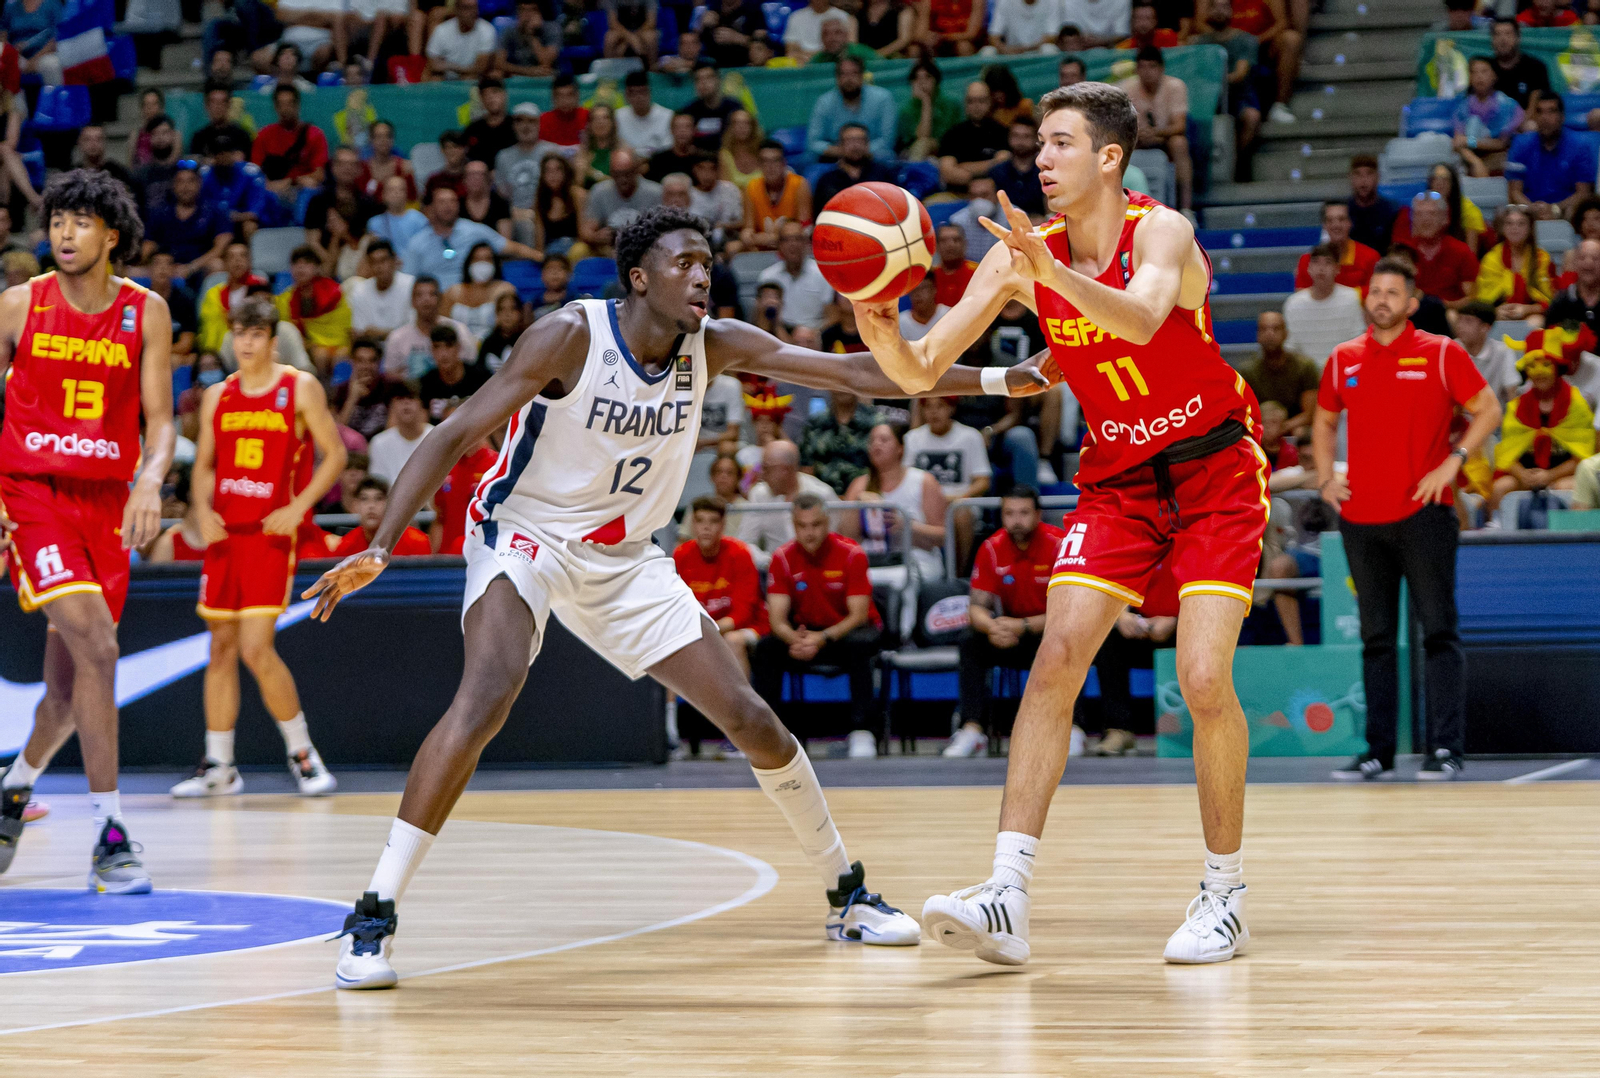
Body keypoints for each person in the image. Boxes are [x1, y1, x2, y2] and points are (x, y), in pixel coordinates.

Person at [303, 206, 1048, 989]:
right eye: (685, 262)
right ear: (639, 277)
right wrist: (382, 544)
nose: (703, 274)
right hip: (528, 534)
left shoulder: (715, 342)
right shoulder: (569, 337)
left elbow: (859, 374)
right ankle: (374, 913)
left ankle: (846, 893)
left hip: (626, 556)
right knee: (487, 694)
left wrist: (1006, 378)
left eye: (708, 261)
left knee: (751, 719)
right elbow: (450, 433)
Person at [853, 82, 1278, 967]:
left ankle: (1224, 893)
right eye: (1037, 145)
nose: (1040, 160)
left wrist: (1050, 277)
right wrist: (878, 318)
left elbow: (1143, 316)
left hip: (1214, 472)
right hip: (1118, 479)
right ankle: (1005, 892)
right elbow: (924, 367)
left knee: (1202, 678)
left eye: (1059, 144)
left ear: (1109, 157)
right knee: (1055, 660)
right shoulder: (1020, 255)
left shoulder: (1160, 231)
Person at [0, 170, 176, 892]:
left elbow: (162, 420)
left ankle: (12, 792)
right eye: (56, 222)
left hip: (107, 506)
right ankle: (110, 833)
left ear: (111, 237)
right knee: (100, 646)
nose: (64, 234)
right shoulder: (18, 304)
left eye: (79, 223)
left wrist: (147, 479)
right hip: (34, 496)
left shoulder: (146, 312)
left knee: (69, 692)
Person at [1315, 257, 1499, 781]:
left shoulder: (1441, 353)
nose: (1382, 300)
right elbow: (1324, 421)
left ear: (1412, 303)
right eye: (1375, 291)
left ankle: (1446, 750)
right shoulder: (1343, 358)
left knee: (1438, 633)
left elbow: (1488, 409)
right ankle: (1378, 752)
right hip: (1361, 519)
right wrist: (1328, 479)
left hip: (1425, 515)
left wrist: (1454, 461)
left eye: (1393, 293)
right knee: (1376, 639)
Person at [175, 294, 343, 800]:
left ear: (272, 339)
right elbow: (203, 465)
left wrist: (299, 507)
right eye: (239, 334)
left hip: (269, 535)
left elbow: (334, 456)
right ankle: (219, 767)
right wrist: (201, 510)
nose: (245, 343)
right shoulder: (217, 396)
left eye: (255, 335)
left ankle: (303, 755)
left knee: (255, 647)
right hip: (225, 535)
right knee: (220, 649)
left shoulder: (299, 388)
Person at [755, 492, 887, 757]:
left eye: (815, 525)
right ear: (794, 526)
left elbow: (858, 615)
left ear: (827, 523)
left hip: (846, 632)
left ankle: (862, 732)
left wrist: (822, 637)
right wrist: (795, 639)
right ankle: (770, 733)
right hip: (805, 635)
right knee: (767, 647)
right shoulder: (782, 558)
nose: (809, 533)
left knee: (860, 645)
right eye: (802, 526)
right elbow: (776, 619)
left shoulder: (852, 554)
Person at [949, 486, 1064, 756]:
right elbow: (976, 607)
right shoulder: (992, 547)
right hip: (1009, 633)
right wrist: (993, 627)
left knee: (1067, 639)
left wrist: (1023, 626)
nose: (1016, 520)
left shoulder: (1060, 544)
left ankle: (1071, 729)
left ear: (1038, 515)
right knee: (970, 640)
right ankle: (973, 730)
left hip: (1047, 630)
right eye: (1009, 513)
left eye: (1024, 513)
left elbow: (1068, 613)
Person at [1489, 326, 1596, 512]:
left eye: (1545, 364)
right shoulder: (1516, 406)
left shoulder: (1577, 404)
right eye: (1532, 365)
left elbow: (1583, 457)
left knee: (1566, 487)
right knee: (1500, 488)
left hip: (1562, 475)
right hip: (1524, 476)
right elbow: (1506, 453)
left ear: (1557, 367)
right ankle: (1496, 534)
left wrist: (1550, 476)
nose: (1538, 373)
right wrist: (1523, 475)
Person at [841, 421, 946, 581]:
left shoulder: (924, 481)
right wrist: (857, 506)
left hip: (915, 557)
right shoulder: (859, 485)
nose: (876, 444)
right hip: (871, 559)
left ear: (900, 448)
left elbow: (942, 536)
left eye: (884, 440)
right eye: (872, 441)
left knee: (901, 580)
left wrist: (906, 525)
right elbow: (844, 537)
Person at [674, 495, 766, 676]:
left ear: (723, 525)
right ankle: (670, 705)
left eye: (713, 521)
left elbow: (743, 613)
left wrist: (710, 630)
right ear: (693, 525)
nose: (706, 527)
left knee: (732, 640)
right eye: (700, 521)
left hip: (748, 627)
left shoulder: (740, 554)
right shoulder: (681, 555)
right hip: (703, 628)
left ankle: (743, 704)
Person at [905, 393, 990, 562]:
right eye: (928, 407)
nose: (934, 412)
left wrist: (958, 497)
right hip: (923, 502)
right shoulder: (911, 438)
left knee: (961, 512)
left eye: (940, 406)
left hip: (959, 501)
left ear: (952, 408)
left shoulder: (971, 436)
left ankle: (957, 576)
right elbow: (906, 478)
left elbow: (983, 481)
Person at [404, 187, 537, 288]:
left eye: (452, 201)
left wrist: (543, 258)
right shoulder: (418, 242)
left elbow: (512, 248)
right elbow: (408, 280)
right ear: (431, 208)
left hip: (470, 298)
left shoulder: (475, 231)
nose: (448, 206)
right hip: (434, 300)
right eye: (442, 202)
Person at [739, 438, 836, 566]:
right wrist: (771, 561)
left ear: (785, 470)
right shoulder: (759, 494)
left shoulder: (822, 494)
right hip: (772, 569)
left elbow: (835, 542)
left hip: (818, 567)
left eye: (766, 468)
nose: (762, 474)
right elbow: (745, 543)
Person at [1119, 47, 1192, 210]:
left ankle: (1186, 208)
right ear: (1136, 69)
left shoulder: (1176, 86)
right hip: (1138, 139)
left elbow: (1180, 126)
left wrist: (1156, 133)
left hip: (1166, 137)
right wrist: (1139, 135)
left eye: (1152, 67)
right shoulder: (1126, 88)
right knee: (1117, 145)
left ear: (1161, 68)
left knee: (1179, 143)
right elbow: (1123, 126)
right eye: (1142, 67)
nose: (1147, 72)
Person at [1195, 0, 1261, 178]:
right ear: (1207, 12)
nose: (1219, 11)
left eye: (1224, 6)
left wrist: (1212, 80)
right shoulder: (1198, 43)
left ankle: (1237, 164)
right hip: (1207, 99)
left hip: (1238, 96)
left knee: (1252, 117)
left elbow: (1240, 74)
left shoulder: (1245, 40)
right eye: (1214, 7)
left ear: (1232, 11)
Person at [143, 163, 234, 283]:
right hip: (166, 266)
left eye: (191, 181)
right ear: (173, 185)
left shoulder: (214, 211)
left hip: (199, 266)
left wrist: (191, 267)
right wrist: (157, 265)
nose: (185, 187)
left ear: (199, 183)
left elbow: (221, 247)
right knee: (129, 271)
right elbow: (148, 245)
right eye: (180, 182)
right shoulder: (160, 212)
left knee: (217, 266)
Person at [1508, 96, 1595, 221]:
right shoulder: (1520, 144)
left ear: (1562, 117)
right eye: (1540, 111)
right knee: (1508, 214)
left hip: (1565, 212)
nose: (1545, 117)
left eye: (1551, 111)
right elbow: (1514, 191)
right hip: (1529, 213)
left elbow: (1583, 193)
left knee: (1574, 212)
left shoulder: (1579, 145)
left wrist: (1555, 208)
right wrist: (1532, 209)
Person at [1283, 243, 1367, 366]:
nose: (1321, 268)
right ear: (1309, 268)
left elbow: (1358, 343)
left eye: (1328, 262)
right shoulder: (1293, 303)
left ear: (1337, 269)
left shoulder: (1351, 299)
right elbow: (1290, 348)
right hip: (1306, 376)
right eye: (1316, 262)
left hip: (1343, 370)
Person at [807, 56, 897, 163]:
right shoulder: (824, 102)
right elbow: (813, 142)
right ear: (837, 78)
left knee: (887, 156)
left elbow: (887, 141)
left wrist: (857, 150)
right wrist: (842, 151)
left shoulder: (883, 98)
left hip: (872, 156)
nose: (849, 79)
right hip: (836, 157)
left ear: (862, 76)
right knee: (809, 159)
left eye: (854, 73)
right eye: (844, 74)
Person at [1241, 311, 1319, 435]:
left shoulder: (1304, 367)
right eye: (1264, 329)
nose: (1270, 334)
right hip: (1260, 429)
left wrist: (1280, 428)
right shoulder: (1246, 371)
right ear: (1257, 335)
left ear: (1286, 334)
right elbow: (1244, 413)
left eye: (1276, 329)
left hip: (1294, 429)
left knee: (1303, 433)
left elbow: (1310, 414)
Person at [276, 245, 353, 369]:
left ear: (317, 268)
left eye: (307, 263)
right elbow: (288, 332)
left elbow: (346, 327)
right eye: (296, 263)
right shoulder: (285, 299)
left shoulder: (335, 293)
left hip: (339, 344)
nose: (300, 267)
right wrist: (309, 346)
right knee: (320, 355)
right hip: (306, 347)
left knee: (338, 358)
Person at [758, 222, 836, 343]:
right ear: (779, 245)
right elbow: (761, 322)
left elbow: (833, 316)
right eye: (786, 240)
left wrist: (814, 334)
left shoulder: (822, 273)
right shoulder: (767, 277)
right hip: (777, 337)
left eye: (798, 239)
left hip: (816, 336)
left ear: (806, 243)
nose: (793, 244)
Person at [384, 276, 477, 379]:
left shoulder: (459, 331)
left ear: (440, 298)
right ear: (412, 301)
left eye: (432, 294)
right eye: (419, 295)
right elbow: (390, 376)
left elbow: (471, 368)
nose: (426, 299)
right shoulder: (397, 338)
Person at [251, 85, 329, 201]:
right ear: (275, 107)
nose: (285, 109)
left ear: (297, 105)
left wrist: (292, 181)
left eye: (289, 104)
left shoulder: (315, 134)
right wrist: (270, 185)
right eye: (281, 105)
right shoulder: (264, 135)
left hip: (303, 190)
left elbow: (320, 174)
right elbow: (255, 172)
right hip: (272, 191)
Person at [580, 148, 663, 257]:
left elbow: (663, 231)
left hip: (645, 248)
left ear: (636, 171)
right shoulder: (599, 191)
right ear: (611, 173)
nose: (623, 179)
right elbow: (586, 230)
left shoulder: (655, 193)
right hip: (608, 249)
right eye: (617, 174)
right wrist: (596, 237)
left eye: (627, 174)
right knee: (579, 250)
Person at [1475, 204, 1551, 321]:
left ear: (1530, 228)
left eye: (1521, 224)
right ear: (1502, 228)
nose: (1514, 228)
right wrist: (1495, 311)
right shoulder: (1491, 258)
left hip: (1531, 313)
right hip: (1499, 313)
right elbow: (1483, 302)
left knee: (1536, 322)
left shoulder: (1542, 258)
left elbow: (1550, 301)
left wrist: (1526, 309)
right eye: (1509, 223)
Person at [1453, 56, 1525, 178]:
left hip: (1500, 155)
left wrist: (1471, 141)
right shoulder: (1463, 107)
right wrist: (1475, 161)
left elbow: (1501, 143)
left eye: (1484, 71)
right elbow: (1458, 142)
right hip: (1472, 158)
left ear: (1494, 76)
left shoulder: (1506, 105)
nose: (1479, 76)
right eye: (1474, 72)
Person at [331, 475, 434, 556]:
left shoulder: (417, 542)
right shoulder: (345, 546)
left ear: (390, 505)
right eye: (364, 499)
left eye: (379, 498)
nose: (371, 506)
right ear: (355, 506)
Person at [938, 80, 1011, 194]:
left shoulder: (1003, 133)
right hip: (958, 195)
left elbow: (1004, 164)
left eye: (981, 101)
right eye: (971, 101)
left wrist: (962, 167)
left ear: (990, 102)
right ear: (965, 104)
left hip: (994, 196)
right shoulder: (952, 135)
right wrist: (991, 165)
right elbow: (948, 173)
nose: (976, 106)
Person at [1407, 193, 1479, 307]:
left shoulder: (1461, 252)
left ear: (1445, 219)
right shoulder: (1404, 252)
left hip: (1451, 316)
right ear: (1412, 220)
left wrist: (1440, 306)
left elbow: (1472, 299)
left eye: (1432, 213)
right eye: (1419, 214)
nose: (1426, 219)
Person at [800, 388, 876, 493]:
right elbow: (806, 469)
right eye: (838, 383)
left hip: (864, 499)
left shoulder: (875, 422)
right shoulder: (815, 424)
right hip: (823, 500)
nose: (842, 388)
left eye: (847, 382)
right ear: (829, 387)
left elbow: (884, 467)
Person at [741, 142, 812, 251]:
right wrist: (749, 236)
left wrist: (771, 238)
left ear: (784, 163)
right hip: (761, 247)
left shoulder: (799, 184)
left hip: (793, 246)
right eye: (765, 162)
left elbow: (805, 229)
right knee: (733, 248)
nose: (770, 167)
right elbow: (748, 230)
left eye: (775, 161)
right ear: (759, 165)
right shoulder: (751, 187)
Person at [1296, 202, 1378, 294]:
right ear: (1324, 225)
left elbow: (1375, 292)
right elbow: (1301, 297)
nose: (1336, 225)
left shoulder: (1370, 257)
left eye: (1341, 219)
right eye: (1330, 220)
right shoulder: (1307, 261)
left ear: (1350, 222)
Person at [812, 123, 897, 208]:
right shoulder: (827, 180)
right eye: (850, 141)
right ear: (839, 145)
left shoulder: (884, 175)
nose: (855, 146)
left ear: (867, 144)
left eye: (860, 141)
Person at [347, 238, 417, 340]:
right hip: (372, 350)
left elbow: (414, 330)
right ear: (369, 265)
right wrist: (393, 332)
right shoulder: (360, 290)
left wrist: (378, 333)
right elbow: (359, 334)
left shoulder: (411, 285)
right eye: (374, 262)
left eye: (383, 260)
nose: (379, 267)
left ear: (394, 260)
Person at [1453, 300, 1521, 403]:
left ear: (1485, 327)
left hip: (1494, 415)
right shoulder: (1450, 350)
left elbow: (1512, 391)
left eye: (1468, 321)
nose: (1460, 326)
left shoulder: (1503, 352)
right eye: (1459, 320)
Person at [418, 324, 492, 420]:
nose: (443, 354)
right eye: (437, 347)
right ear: (431, 351)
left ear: (459, 347)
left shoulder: (481, 377)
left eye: (448, 346)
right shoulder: (426, 384)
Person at [366, 381, 434, 483]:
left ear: (422, 405)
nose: (406, 403)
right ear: (391, 407)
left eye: (411, 398)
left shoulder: (437, 437)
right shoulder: (379, 443)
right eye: (400, 399)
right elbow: (378, 485)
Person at [898, 58, 964, 160]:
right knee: (921, 145)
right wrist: (926, 102)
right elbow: (922, 137)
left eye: (927, 77)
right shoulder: (907, 110)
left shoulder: (951, 103)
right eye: (917, 78)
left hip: (948, 150)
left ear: (936, 80)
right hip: (916, 151)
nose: (922, 82)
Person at [1489, 18, 1549, 113]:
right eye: (1497, 34)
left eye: (1508, 34)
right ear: (1492, 39)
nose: (1502, 39)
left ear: (1518, 37)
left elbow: (1538, 108)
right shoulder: (1485, 69)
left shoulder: (1535, 68)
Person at [426, 0, 496, 79]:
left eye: (475, 8)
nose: (473, 12)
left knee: (471, 77)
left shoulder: (487, 30)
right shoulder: (442, 30)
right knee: (434, 78)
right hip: (446, 78)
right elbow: (433, 64)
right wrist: (463, 69)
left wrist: (451, 66)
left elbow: (481, 67)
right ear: (457, 10)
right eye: (467, 8)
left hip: (474, 78)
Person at [1546, 238, 1600, 338]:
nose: (1589, 263)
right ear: (1575, 262)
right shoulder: (1561, 302)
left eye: (1595, 258)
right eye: (1582, 258)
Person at [1346, 154, 1398, 255]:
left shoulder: (1392, 211)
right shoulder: (1343, 212)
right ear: (1351, 178)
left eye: (1369, 174)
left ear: (1378, 177)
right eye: (1358, 174)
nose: (1363, 180)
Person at [617, 68, 675, 158]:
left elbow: (669, 149)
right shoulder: (617, 117)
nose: (639, 97)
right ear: (627, 95)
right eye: (634, 93)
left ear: (649, 92)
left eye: (642, 92)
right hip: (628, 165)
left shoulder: (668, 116)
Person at [495, 0, 559, 77]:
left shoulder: (552, 29)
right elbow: (499, 63)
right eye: (522, 10)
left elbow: (546, 63)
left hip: (544, 79)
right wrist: (528, 71)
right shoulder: (509, 31)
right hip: (517, 77)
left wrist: (532, 35)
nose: (527, 15)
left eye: (532, 10)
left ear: (540, 12)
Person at [463, 76, 518, 166]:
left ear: (504, 95)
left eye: (495, 92)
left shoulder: (516, 125)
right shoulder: (474, 129)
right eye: (485, 94)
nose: (490, 98)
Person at [369, 174, 430, 253]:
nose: (396, 193)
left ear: (406, 194)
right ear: (383, 195)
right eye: (391, 190)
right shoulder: (374, 223)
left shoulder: (419, 219)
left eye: (401, 189)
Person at [783, 0, 853, 63]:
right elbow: (791, 51)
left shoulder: (844, 16)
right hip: (803, 62)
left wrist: (814, 56)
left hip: (835, 60)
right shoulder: (795, 17)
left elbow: (850, 46)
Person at [988, 0, 1065, 53]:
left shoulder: (1053, 1)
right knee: (988, 51)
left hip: (1038, 51)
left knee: (1048, 49)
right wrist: (1006, 50)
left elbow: (1051, 37)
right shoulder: (1004, 1)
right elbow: (994, 36)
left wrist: (1027, 49)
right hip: (1011, 52)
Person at [931, 224, 978, 308]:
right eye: (944, 241)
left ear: (965, 244)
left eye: (956, 240)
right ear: (936, 246)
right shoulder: (930, 276)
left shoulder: (978, 272)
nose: (950, 245)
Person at [540, 74, 590, 150]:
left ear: (577, 96)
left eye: (569, 95)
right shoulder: (543, 120)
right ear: (553, 97)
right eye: (560, 96)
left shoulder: (589, 117)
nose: (565, 101)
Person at [899, 274, 948, 340]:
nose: (918, 294)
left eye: (923, 288)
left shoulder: (949, 314)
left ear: (934, 289)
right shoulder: (900, 322)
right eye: (914, 290)